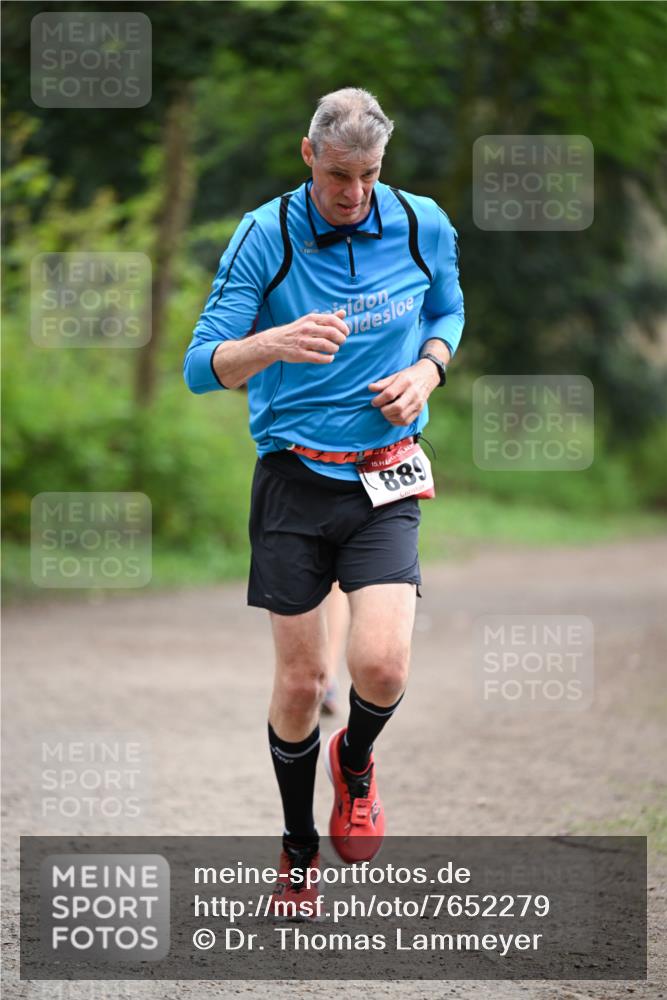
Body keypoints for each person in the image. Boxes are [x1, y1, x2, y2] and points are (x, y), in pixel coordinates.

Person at [184, 88, 464, 916]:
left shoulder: (419, 222)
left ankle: (358, 763)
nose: (352, 194)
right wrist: (269, 343)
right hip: (293, 482)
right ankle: (297, 847)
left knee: (378, 665)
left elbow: (446, 307)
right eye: (338, 175)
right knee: (304, 683)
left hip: (386, 474)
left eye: (368, 175)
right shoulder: (265, 235)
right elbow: (203, 365)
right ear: (308, 156)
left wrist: (428, 370)